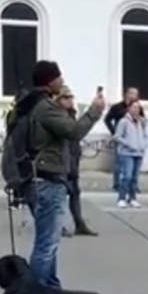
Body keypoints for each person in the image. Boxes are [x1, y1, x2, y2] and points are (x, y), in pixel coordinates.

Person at [28, 63, 105, 287]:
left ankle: (49, 285)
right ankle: (38, 292)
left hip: (44, 177)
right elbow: (74, 132)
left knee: (49, 240)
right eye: (58, 76)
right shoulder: (45, 107)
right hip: (48, 179)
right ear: (50, 80)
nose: (62, 80)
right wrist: (95, 111)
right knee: (46, 242)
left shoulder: (37, 104)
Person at [56, 86, 98, 238]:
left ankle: (79, 223)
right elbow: (73, 133)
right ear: (58, 100)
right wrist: (93, 111)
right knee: (59, 195)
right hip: (61, 161)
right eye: (66, 98)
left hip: (72, 160)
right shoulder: (57, 116)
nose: (70, 100)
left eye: (71, 97)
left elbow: (75, 136)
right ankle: (58, 226)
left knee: (75, 193)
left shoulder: (70, 114)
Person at [114, 100, 148, 208]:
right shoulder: (124, 121)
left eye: (138, 107)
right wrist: (128, 144)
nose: (136, 109)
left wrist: (143, 145)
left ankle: (132, 198)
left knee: (135, 177)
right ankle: (121, 197)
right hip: (127, 153)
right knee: (127, 176)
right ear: (129, 108)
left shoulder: (141, 122)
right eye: (134, 107)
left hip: (138, 153)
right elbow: (117, 136)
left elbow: (145, 135)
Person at [105, 86, 138, 192]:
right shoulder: (117, 107)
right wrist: (114, 132)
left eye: (136, 94)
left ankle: (132, 185)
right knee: (119, 162)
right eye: (131, 93)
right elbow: (107, 119)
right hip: (120, 137)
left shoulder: (138, 107)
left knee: (133, 162)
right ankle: (117, 184)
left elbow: (141, 121)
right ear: (126, 94)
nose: (134, 96)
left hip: (133, 138)